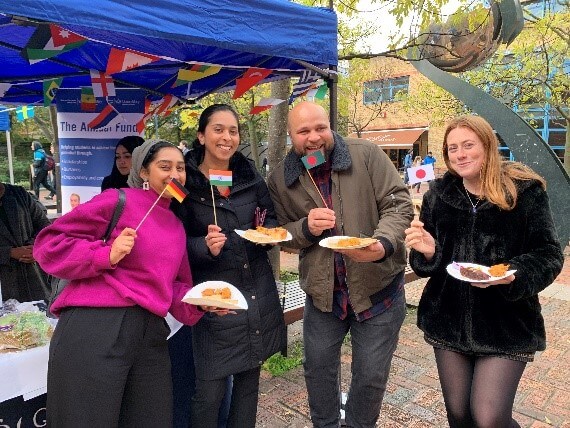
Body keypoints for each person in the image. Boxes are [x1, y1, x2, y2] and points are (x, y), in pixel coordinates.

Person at [33, 140, 215, 427]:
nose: (175, 174)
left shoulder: (176, 226)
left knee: (151, 418)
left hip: (150, 334)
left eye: (180, 168)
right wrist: (106, 254)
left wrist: (201, 300)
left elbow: (174, 287)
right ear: (144, 172)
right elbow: (49, 244)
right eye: (164, 166)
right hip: (96, 326)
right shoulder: (117, 200)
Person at [404, 115, 564, 428]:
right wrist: (427, 251)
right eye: (452, 148)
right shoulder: (438, 195)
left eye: (468, 145)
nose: (460, 154)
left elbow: (548, 254)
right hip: (448, 320)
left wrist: (512, 273)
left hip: (506, 325)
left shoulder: (524, 192)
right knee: (460, 415)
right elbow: (429, 264)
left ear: (487, 146)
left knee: (488, 417)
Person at [267, 101, 414, 428]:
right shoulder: (281, 180)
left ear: (330, 125)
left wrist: (382, 245)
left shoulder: (365, 154)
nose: (314, 137)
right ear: (291, 135)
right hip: (324, 298)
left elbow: (399, 205)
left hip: (378, 292)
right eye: (303, 131)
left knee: (370, 378)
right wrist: (305, 227)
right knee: (317, 371)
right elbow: (280, 235)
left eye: (320, 127)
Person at [177, 104, 286, 428]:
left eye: (233, 130)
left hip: (257, 294)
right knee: (208, 394)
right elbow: (171, 245)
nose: (227, 137)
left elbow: (272, 219)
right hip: (216, 302)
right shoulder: (184, 183)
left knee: (249, 387)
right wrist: (202, 246)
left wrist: (267, 235)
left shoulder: (250, 177)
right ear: (201, 135)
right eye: (218, 129)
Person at [0, 182, 51, 303]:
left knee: (41, 317)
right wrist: (9, 252)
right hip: (4, 285)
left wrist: (34, 246)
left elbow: (44, 226)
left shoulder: (19, 193)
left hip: (34, 278)